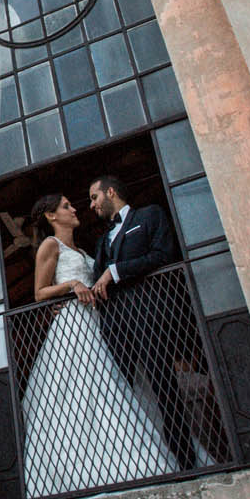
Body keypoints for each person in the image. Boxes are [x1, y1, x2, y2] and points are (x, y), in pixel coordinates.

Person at [18, 193, 172, 497]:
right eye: (66, 206)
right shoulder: (51, 245)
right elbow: (39, 292)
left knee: (113, 387)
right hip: (74, 325)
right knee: (86, 391)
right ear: (51, 216)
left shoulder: (84, 250)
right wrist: (71, 285)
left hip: (97, 322)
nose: (74, 209)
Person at [87, 175, 211, 472]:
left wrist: (116, 271)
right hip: (114, 326)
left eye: (94, 197)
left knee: (164, 389)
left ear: (111, 192)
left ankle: (185, 463)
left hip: (149, 316)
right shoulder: (102, 240)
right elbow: (96, 280)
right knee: (122, 393)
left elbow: (163, 255)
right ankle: (135, 465)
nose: (91, 205)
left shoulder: (149, 215)